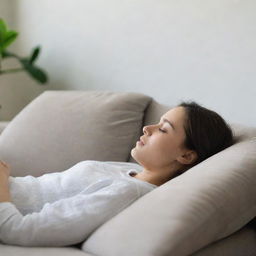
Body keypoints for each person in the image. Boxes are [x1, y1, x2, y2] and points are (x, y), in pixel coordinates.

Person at [0, 101, 234, 247]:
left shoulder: (128, 193)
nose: (147, 128)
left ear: (186, 156)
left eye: (163, 129)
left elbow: (21, 230)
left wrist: (2, 186)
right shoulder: (129, 172)